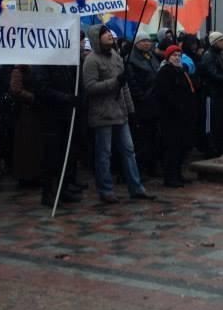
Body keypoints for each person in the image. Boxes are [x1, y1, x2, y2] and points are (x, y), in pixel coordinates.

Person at [82, 25, 154, 203]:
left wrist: (131, 110)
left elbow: (125, 87)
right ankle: (105, 190)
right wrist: (114, 82)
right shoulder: (91, 60)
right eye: (103, 33)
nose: (108, 35)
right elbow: (89, 87)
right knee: (104, 153)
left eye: (108, 32)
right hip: (102, 113)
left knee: (129, 150)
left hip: (120, 112)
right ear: (96, 39)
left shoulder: (116, 56)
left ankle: (136, 187)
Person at [31, 65, 82, 207]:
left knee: (65, 154)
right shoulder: (42, 64)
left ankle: (62, 189)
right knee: (50, 157)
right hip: (50, 116)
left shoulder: (65, 63)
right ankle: (48, 194)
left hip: (65, 114)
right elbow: (41, 89)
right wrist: (66, 98)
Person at [154, 45, 197, 187]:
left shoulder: (181, 71)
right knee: (172, 147)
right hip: (171, 116)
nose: (177, 58)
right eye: (174, 55)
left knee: (182, 146)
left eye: (179, 55)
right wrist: (177, 105)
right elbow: (164, 93)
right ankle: (170, 176)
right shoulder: (165, 72)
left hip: (184, 115)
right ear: (168, 57)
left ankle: (178, 173)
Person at [126, 32, 161, 177]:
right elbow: (132, 82)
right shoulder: (131, 59)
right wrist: (141, 96)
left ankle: (152, 166)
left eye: (148, 41)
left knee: (154, 136)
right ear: (137, 43)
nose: (147, 43)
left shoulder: (152, 56)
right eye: (143, 41)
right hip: (141, 103)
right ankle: (140, 169)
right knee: (141, 138)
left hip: (154, 102)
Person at [199, 31, 223, 156]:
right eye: (221, 41)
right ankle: (214, 149)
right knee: (215, 123)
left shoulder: (222, 55)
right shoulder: (208, 56)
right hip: (214, 95)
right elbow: (213, 75)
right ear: (214, 42)